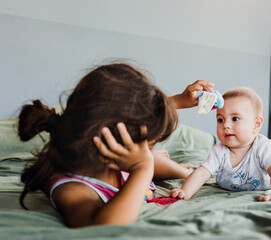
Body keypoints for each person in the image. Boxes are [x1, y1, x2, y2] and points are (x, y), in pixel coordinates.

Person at [17, 62, 214, 227]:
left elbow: (136, 116)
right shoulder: (71, 189)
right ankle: (174, 167)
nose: (148, 149)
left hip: (127, 169)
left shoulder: (107, 147)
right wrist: (142, 168)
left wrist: (179, 100)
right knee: (150, 158)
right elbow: (104, 228)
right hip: (131, 171)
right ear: (111, 139)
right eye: (149, 143)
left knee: (152, 157)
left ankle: (186, 173)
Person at [169, 87, 271, 202]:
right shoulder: (219, 150)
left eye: (235, 118)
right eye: (220, 120)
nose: (226, 125)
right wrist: (185, 191)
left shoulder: (262, 146)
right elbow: (202, 173)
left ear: (256, 125)